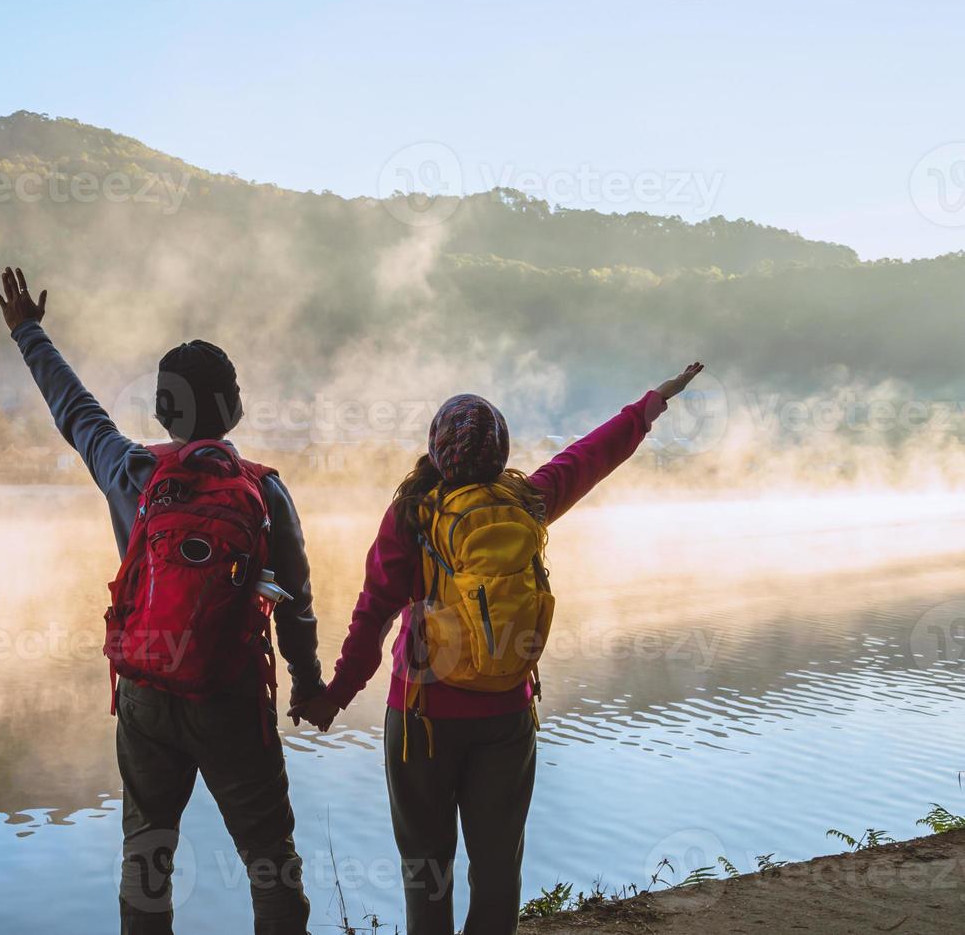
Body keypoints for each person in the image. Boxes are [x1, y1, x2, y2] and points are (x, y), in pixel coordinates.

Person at [290, 363, 706, 935]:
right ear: (500, 448)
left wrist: (334, 695)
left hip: (421, 719)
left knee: (426, 870)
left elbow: (372, 617)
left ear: (436, 448)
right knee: (497, 867)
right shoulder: (527, 501)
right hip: (507, 715)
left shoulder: (412, 518)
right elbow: (590, 457)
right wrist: (650, 405)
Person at [0, 266, 322, 935]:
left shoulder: (132, 473)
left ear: (162, 412)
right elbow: (297, 604)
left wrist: (28, 331)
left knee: (146, 857)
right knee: (270, 863)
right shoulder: (265, 491)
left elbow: (74, 409)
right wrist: (308, 684)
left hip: (145, 688)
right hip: (229, 693)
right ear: (232, 406)